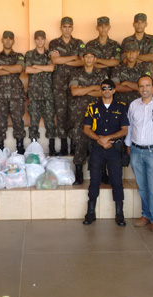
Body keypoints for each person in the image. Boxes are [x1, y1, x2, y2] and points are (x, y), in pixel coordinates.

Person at [125, 75, 153, 233]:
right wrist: (129, 148)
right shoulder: (133, 105)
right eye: (141, 86)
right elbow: (130, 128)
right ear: (138, 88)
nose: (145, 89)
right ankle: (146, 215)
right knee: (142, 187)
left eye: (147, 85)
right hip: (136, 151)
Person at [82, 79, 129, 226]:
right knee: (94, 180)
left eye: (110, 88)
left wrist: (107, 138)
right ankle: (90, 212)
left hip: (114, 150)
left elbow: (125, 130)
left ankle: (119, 214)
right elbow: (86, 128)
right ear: (100, 90)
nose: (107, 90)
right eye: (104, 88)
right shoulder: (92, 107)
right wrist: (99, 139)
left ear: (114, 90)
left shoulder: (121, 107)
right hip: (97, 149)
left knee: (116, 181)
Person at [69, 46, 107, 184]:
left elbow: (104, 92)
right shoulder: (75, 74)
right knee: (80, 141)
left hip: (98, 113)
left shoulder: (102, 75)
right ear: (82, 58)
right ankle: (78, 172)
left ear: (95, 59)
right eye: (86, 56)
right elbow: (74, 92)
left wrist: (83, 89)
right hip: (80, 113)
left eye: (92, 56)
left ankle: (102, 172)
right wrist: (93, 88)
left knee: (100, 139)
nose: (89, 59)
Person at [49, 17, 85, 155]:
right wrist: (72, 57)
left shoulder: (79, 43)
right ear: (60, 28)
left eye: (70, 26)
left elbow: (82, 62)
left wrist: (62, 60)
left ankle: (74, 145)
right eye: (64, 26)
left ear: (73, 28)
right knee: (61, 115)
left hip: (75, 85)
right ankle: (64, 146)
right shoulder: (54, 43)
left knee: (75, 115)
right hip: (59, 86)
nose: (67, 29)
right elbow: (55, 60)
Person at [0, 31, 26, 154]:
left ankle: (20, 148)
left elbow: (19, 68)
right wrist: (11, 70)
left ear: (13, 41)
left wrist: (2, 67)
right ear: (2, 40)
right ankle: (0, 148)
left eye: (10, 38)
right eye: (6, 38)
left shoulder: (19, 56)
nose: (8, 41)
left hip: (16, 94)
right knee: (0, 121)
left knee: (18, 120)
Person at [24, 30, 57, 155]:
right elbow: (27, 69)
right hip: (34, 94)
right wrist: (43, 68)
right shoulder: (30, 54)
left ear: (45, 40)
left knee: (50, 122)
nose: (40, 41)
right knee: (34, 122)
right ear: (35, 40)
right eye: (37, 39)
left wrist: (36, 66)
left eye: (42, 39)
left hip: (48, 94)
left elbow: (52, 68)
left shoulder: (50, 54)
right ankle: (34, 147)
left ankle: (52, 147)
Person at [112, 42, 150, 108]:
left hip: (139, 105)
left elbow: (146, 87)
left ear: (138, 53)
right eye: (128, 52)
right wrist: (136, 87)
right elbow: (115, 87)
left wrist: (126, 83)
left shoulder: (143, 68)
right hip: (120, 106)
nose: (131, 54)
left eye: (133, 51)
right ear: (125, 53)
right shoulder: (118, 68)